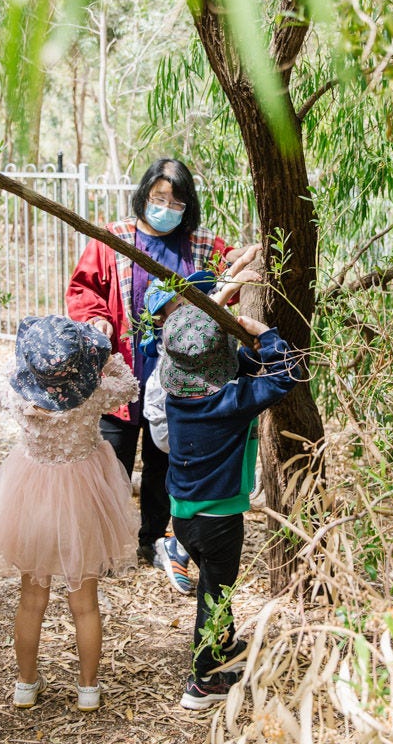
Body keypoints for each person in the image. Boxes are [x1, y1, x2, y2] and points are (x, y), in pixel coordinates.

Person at [65, 157, 240, 568]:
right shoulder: (113, 239)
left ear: (188, 206)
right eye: (159, 198)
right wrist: (96, 321)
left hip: (180, 377)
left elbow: (235, 271)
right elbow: (84, 289)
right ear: (144, 195)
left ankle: (155, 542)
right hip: (121, 374)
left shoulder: (202, 246)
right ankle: (104, 545)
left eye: (176, 203)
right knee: (112, 461)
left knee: (165, 462)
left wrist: (246, 261)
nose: (166, 209)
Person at [0, 316, 139, 713]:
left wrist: (40, 359)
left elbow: (5, 374)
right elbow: (130, 385)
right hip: (84, 494)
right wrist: (101, 347)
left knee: (32, 598)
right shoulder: (96, 392)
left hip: (29, 495)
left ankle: (25, 684)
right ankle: (88, 689)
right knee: (85, 601)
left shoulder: (17, 395)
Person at [159, 305, 304, 709]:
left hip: (183, 515)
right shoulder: (230, 401)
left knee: (213, 587)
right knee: (215, 595)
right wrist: (267, 335)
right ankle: (204, 681)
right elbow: (286, 374)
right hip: (219, 520)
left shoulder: (177, 398)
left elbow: (232, 371)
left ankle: (221, 649)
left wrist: (248, 353)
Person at [140, 251, 263, 595]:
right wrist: (236, 281)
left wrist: (241, 265)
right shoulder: (180, 337)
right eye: (181, 305)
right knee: (203, 478)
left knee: (198, 484)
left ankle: (178, 541)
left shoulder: (185, 323)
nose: (190, 310)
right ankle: (177, 542)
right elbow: (208, 311)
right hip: (174, 422)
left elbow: (209, 302)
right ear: (163, 319)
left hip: (186, 417)